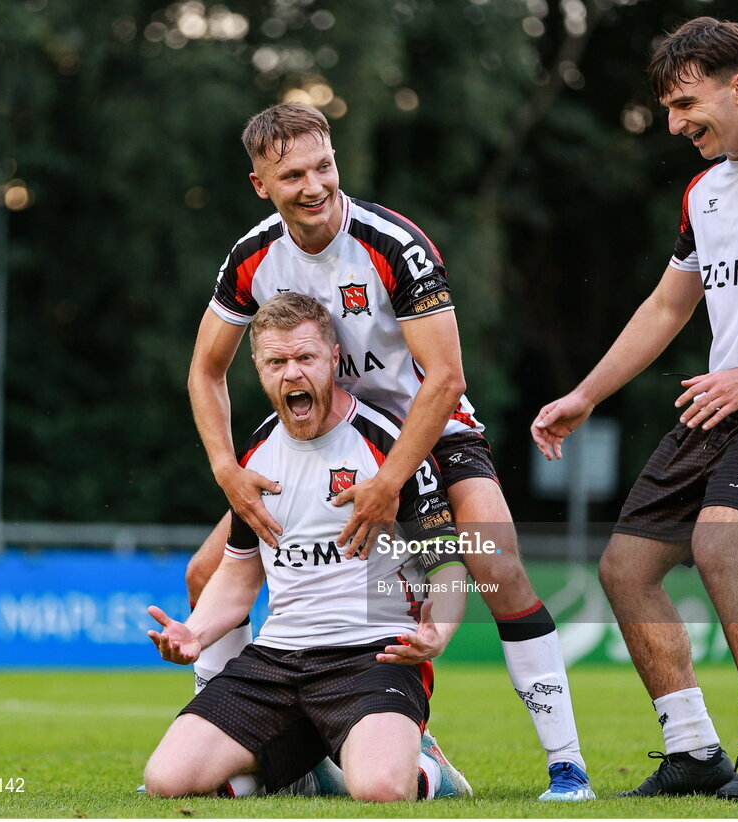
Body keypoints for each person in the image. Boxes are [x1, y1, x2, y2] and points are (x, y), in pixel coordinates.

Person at [185, 102, 593, 800]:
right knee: (204, 575)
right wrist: (227, 470)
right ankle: (279, 757)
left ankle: (567, 765)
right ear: (260, 185)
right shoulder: (252, 257)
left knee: (494, 566)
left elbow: (447, 379)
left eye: (324, 165)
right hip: (319, 441)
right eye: (293, 175)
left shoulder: (393, 243)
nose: (315, 185)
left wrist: (391, 481)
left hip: (431, 430)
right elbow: (205, 370)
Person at [532, 17, 738, 800]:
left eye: (687, 105)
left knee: (720, 549)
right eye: (670, 110)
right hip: (723, 400)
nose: (677, 125)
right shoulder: (703, 191)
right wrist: (584, 395)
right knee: (625, 569)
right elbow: (665, 307)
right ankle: (692, 750)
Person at [144, 294, 471, 801]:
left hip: (373, 656)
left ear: (333, 359)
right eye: (277, 362)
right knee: (167, 781)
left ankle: (430, 769)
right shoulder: (255, 452)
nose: (292, 374)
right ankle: (308, 767)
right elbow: (238, 573)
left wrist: (441, 629)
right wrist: (196, 631)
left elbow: (447, 562)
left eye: (305, 358)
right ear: (258, 367)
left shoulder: (387, 442)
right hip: (277, 659)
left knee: (380, 790)